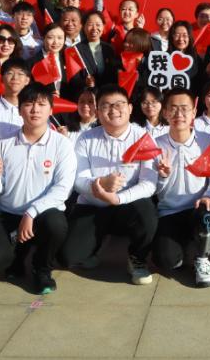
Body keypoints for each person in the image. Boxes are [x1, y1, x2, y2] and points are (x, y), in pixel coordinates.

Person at [57, 85, 159, 285]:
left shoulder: (143, 138)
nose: (113, 110)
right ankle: (94, 248)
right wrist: (100, 184)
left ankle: (137, 257)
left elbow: (149, 183)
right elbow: (78, 180)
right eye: (106, 106)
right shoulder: (86, 138)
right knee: (68, 258)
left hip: (128, 204)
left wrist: (118, 198)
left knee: (147, 214)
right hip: (93, 205)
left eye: (119, 104)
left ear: (130, 108)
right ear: (97, 112)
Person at [0, 84, 75, 294]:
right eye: (29, 104)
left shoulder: (62, 145)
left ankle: (42, 269)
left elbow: (63, 189)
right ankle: (18, 255)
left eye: (41, 104)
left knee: (56, 225)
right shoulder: (3, 142)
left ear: (51, 110)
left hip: (42, 215)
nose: (35, 109)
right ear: (19, 110)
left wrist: (32, 212)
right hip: (8, 213)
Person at [153, 88, 210, 287]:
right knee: (167, 261)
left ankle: (202, 258)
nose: (179, 114)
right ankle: (187, 246)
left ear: (194, 112)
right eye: (173, 109)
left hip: (197, 208)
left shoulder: (208, 142)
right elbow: (152, 189)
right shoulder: (155, 146)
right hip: (168, 212)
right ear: (165, 113)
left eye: (184, 109)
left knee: (208, 216)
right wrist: (163, 176)